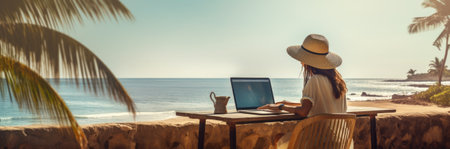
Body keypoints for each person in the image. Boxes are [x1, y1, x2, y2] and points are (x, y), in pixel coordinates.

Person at [257, 34, 349, 148]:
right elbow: (319, 105)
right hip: (340, 143)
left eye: (303, 59)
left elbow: (304, 111)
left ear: (308, 61)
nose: (301, 62)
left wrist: (280, 107)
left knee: (278, 138)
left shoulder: (314, 81)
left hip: (318, 143)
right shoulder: (339, 84)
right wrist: (288, 103)